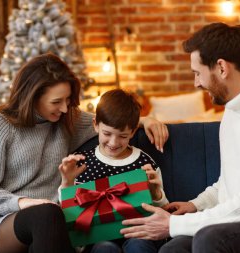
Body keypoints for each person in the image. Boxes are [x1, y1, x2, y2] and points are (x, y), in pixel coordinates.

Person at [121, 22, 240, 253]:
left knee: (210, 240)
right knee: (173, 249)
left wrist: (173, 224)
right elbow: (229, 184)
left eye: (197, 72)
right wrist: (195, 205)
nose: (196, 83)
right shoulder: (233, 110)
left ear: (222, 68)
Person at [0, 53, 168, 253]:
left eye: (68, 100)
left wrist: (145, 120)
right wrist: (23, 203)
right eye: (56, 102)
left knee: (54, 218)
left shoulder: (66, 118)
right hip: (2, 223)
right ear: (34, 95)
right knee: (46, 214)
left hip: (53, 225)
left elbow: (108, 123)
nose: (64, 108)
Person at [59, 88, 169, 253]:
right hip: (96, 240)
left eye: (123, 136)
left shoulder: (144, 163)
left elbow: (163, 211)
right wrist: (67, 183)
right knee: (105, 249)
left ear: (133, 132)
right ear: (95, 125)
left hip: (138, 234)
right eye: (107, 133)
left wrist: (156, 193)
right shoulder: (82, 163)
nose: (113, 142)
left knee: (139, 245)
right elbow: (72, 216)